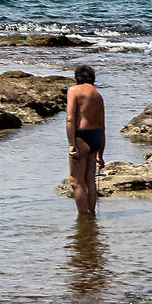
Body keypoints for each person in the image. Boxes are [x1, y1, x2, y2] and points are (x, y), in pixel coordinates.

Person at [65, 63, 105, 217]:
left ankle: (84, 217)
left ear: (77, 79)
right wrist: (100, 154)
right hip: (96, 137)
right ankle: (92, 213)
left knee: (76, 180)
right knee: (90, 180)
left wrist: (71, 144)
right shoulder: (97, 94)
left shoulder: (74, 90)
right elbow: (102, 126)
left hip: (81, 136)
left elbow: (70, 118)